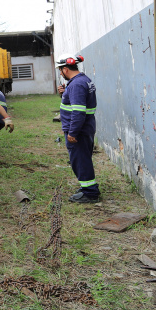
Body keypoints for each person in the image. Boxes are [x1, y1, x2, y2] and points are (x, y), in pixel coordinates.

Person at [56, 53, 100, 203]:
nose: (61, 74)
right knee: (83, 159)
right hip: (85, 127)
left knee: (80, 160)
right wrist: (65, 94)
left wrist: (73, 132)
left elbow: (78, 111)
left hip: (79, 130)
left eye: (60, 70)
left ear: (65, 69)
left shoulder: (76, 85)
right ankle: (87, 187)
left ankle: (90, 193)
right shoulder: (82, 80)